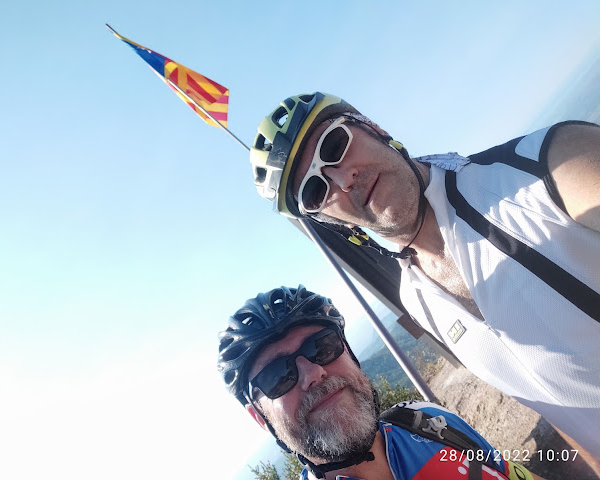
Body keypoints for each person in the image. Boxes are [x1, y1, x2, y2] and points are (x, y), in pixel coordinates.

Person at [248, 93, 600, 459]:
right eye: (316, 190)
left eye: (334, 145)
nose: (343, 180)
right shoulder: (416, 298)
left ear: (372, 127)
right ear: (331, 222)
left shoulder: (546, 167)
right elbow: (559, 407)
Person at [218, 285, 544, 480]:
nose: (314, 373)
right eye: (277, 376)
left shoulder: (429, 422)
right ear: (260, 418)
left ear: (350, 354)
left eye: (322, 346)